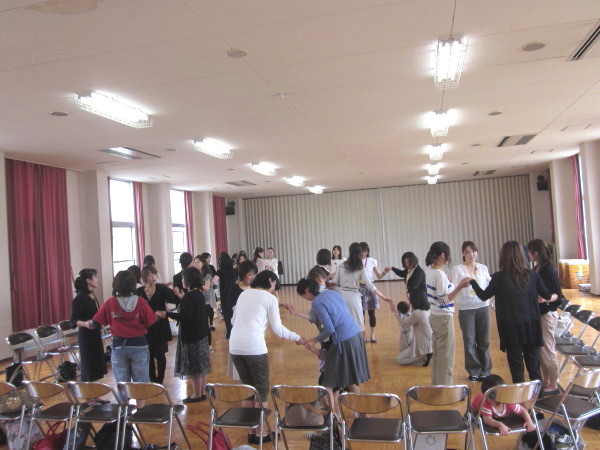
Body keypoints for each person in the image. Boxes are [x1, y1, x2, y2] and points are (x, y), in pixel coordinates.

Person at [230, 271, 304, 444]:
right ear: (270, 281)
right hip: (254, 348)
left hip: (235, 347)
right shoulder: (270, 299)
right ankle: (261, 432)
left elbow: (233, 321)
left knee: (248, 388)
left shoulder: (244, 294)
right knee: (261, 390)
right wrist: (297, 337)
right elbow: (278, 329)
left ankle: (251, 431)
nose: (274, 289)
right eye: (275, 285)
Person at [469, 241, 556, 383]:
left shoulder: (499, 277)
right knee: (534, 371)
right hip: (531, 327)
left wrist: (472, 282)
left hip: (511, 330)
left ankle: (519, 396)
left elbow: (484, 296)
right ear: (521, 256)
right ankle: (537, 395)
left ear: (503, 257)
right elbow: (547, 295)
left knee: (517, 372)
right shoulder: (532, 274)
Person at [297, 277, 370, 415]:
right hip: (356, 336)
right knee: (351, 380)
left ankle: (334, 420)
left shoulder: (317, 302)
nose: (305, 299)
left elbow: (330, 329)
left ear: (307, 290)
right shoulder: (332, 292)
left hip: (344, 341)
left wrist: (314, 340)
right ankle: (363, 414)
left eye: (303, 296)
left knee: (328, 383)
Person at [92, 271, 161, 406]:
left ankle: (124, 412)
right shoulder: (140, 302)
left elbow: (95, 322)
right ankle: (140, 411)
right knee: (141, 382)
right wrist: (158, 316)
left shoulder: (110, 302)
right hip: (139, 346)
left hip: (119, 347)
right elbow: (152, 321)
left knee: (122, 383)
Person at [424, 241, 469, 385]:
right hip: (443, 318)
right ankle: (445, 389)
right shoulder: (439, 274)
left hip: (434, 316)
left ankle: (437, 384)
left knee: (438, 354)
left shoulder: (430, 270)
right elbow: (443, 301)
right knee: (446, 356)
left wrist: (449, 284)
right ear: (443, 255)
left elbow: (438, 294)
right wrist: (459, 286)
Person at [167, 267, 211, 403]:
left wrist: (167, 314)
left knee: (194, 367)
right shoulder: (198, 293)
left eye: (183, 278)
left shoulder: (189, 296)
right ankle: (202, 392)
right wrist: (183, 298)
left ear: (188, 280)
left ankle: (196, 394)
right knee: (202, 365)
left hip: (192, 335)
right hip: (201, 333)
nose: (181, 281)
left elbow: (185, 317)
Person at [451, 241, 492, 382]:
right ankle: (474, 370)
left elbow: (490, 284)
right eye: (468, 252)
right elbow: (453, 288)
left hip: (483, 307)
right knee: (469, 341)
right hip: (466, 308)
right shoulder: (457, 269)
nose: (471, 255)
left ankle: (485, 370)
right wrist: (461, 285)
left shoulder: (483, 268)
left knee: (484, 340)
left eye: (474, 252)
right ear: (463, 253)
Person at [528, 239, 563, 396]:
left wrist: (546, 299)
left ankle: (554, 384)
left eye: (530, 252)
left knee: (548, 349)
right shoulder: (537, 269)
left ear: (536, 253)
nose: (528, 255)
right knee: (542, 350)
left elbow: (558, 295)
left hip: (548, 314)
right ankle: (547, 380)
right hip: (539, 314)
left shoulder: (548, 269)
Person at [331, 242, 392, 333]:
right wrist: (383, 297)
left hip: (341, 297)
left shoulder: (341, 265)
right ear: (359, 253)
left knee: (345, 322)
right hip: (354, 297)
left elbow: (334, 283)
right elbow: (371, 286)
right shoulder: (360, 267)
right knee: (359, 324)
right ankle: (361, 340)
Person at [136, 265, 177, 384]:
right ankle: (152, 379)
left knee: (160, 354)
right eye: (150, 275)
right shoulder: (139, 292)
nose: (153, 277)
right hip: (146, 327)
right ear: (144, 277)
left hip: (160, 326)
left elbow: (173, 299)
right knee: (148, 354)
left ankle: (160, 380)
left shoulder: (161, 288)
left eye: (154, 274)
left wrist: (176, 293)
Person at [70, 268, 107, 382]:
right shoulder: (80, 298)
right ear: (88, 280)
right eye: (95, 277)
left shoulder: (92, 295)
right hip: (86, 336)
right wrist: (85, 324)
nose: (97, 279)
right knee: (89, 367)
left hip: (95, 333)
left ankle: (95, 391)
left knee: (96, 366)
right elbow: (73, 320)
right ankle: (89, 393)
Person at [394, 292, 433, 366]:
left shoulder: (417, 313)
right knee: (405, 351)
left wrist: (395, 313)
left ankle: (422, 358)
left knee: (399, 359)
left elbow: (404, 325)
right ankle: (425, 355)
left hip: (421, 344)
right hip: (429, 341)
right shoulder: (428, 309)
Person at [359, 242, 386, 343]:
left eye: (365, 251)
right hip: (359, 288)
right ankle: (363, 335)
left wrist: (384, 272)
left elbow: (378, 276)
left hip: (370, 288)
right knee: (360, 314)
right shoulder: (356, 261)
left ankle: (372, 335)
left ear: (367, 251)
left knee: (372, 313)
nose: (363, 253)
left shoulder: (372, 261)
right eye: (361, 251)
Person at [216, 252, 238, 339]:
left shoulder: (220, 271)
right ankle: (236, 331)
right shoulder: (234, 270)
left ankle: (229, 332)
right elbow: (237, 281)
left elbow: (214, 281)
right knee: (234, 312)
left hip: (224, 294)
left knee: (226, 313)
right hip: (234, 293)